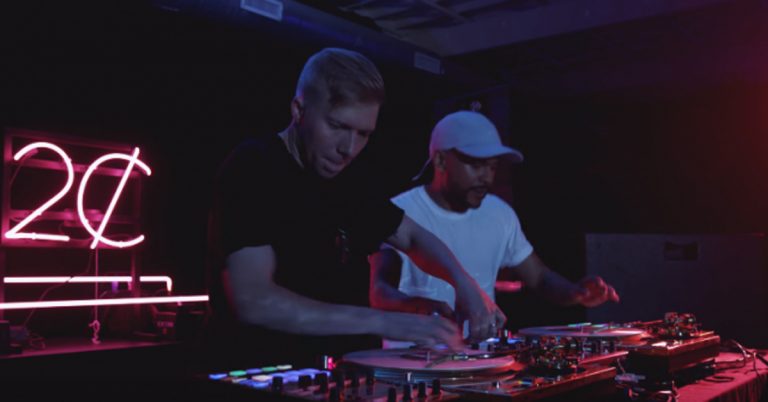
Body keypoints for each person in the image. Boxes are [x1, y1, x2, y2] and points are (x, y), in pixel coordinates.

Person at [206, 48, 504, 366]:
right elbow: (253, 300)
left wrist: (466, 286)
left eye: (363, 134)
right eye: (337, 126)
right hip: (260, 373)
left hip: (342, 372)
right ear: (298, 110)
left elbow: (411, 236)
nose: (348, 148)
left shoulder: (351, 179)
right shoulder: (254, 168)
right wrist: (385, 321)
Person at [369, 111, 620, 347]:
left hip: (480, 362)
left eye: (492, 166)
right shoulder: (399, 212)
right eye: (476, 165)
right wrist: (425, 308)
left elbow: (540, 278)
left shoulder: (499, 213)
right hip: (408, 365)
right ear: (441, 161)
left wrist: (575, 292)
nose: (487, 177)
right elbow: (380, 293)